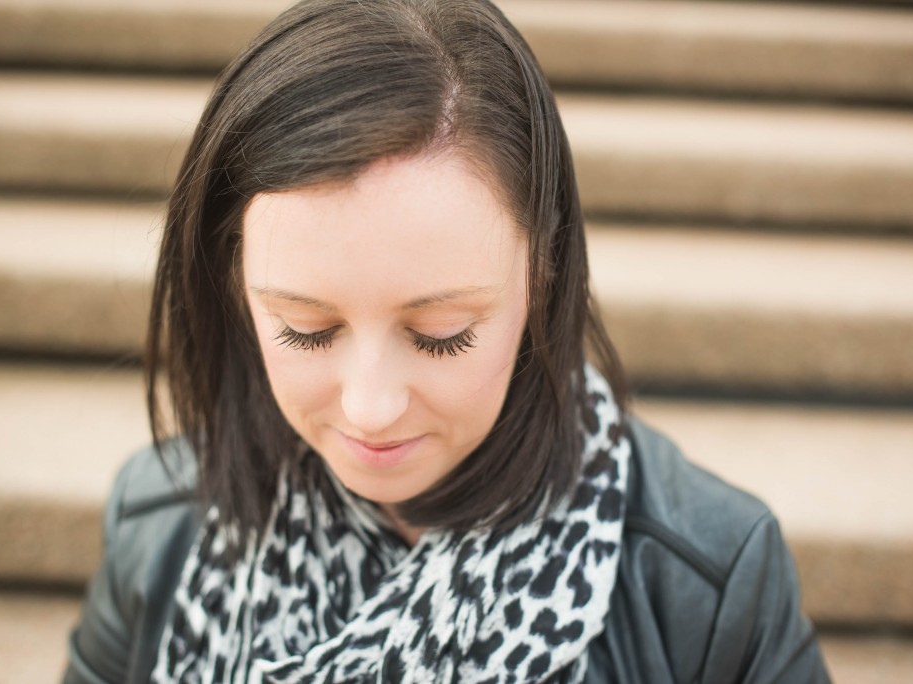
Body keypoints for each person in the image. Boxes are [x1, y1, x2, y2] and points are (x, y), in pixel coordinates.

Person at [64, 0, 831, 681]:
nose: (370, 408)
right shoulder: (157, 523)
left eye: (440, 336)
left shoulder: (709, 579)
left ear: (545, 274)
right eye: (306, 329)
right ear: (234, 286)